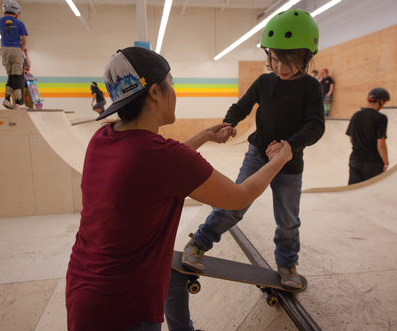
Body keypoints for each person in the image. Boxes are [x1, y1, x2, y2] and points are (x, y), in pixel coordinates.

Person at [65, 46, 293, 331]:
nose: (175, 92)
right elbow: (239, 197)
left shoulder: (102, 138)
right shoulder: (164, 157)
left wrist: (202, 136)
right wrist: (280, 160)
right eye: (171, 83)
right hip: (124, 307)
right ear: (155, 92)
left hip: (83, 289)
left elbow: (153, 169)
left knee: (173, 279)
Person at [182, 9, 325, 291]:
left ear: (307, 58)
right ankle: (198, 244)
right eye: (274, 59)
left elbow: (316, 126)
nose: (280, 67)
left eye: (289, 61)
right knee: (233, 205)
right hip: (258, 156)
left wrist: (290, 146)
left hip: (289, 164)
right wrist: (230, 124)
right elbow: (241, 107)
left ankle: (287, 265)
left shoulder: (311, 88)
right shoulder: (264, 82)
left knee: (287, 221)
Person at [346, 87, 390, 185]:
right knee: (372, 193)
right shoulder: (381, 118)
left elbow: (351, 139)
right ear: (381, 101)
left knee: (353, 191)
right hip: (373, 163)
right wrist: (386, 162)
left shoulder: (356, 115)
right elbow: (381, 144)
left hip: (355, 160)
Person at [0, 0, 28, 109]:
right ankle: (18, 102)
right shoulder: (20, 23)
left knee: (10, 74)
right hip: (16, 49)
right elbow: (23, 40)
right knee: (17, 75)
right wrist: (21, 50)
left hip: (4, 50)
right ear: (17, 13)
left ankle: (6, 99)